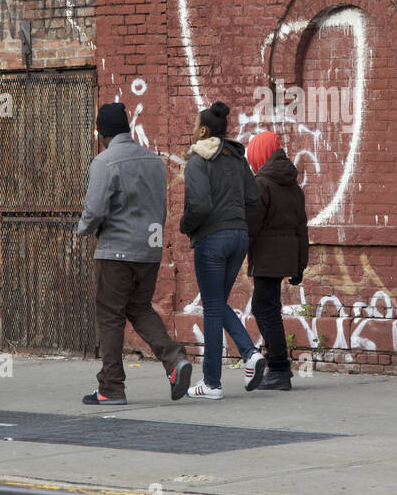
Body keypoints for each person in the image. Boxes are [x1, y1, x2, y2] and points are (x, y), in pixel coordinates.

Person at [76, 102, 191, 406]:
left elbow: (95, 209)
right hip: (149, 252)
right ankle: (175, 359)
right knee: (139, 308)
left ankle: (111, 387)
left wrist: (82, 229)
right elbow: (161, 207)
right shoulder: (154, 161)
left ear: (102, 132)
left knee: (110, 316)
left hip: (116, 253)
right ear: (126, 128)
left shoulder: (105, 162)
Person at [180, 101, 266, 399]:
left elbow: (200, 205)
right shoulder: (238, 159)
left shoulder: (197, 161)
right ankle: (250, 354)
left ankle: (213, 383)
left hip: (212, 240)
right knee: (216, 303)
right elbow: (254, 201)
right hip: (239, 237)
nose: (192, 130)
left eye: (194, 125)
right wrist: (238, 226)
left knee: (213, 308)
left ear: (203, 130)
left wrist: (186, 225)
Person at [245, 131, 309, 391]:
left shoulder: (261, 184)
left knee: (265, 310)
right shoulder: (292, 184)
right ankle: (277, 366)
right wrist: (299, 264)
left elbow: (252, 225)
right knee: (268, 308)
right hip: (285, 256)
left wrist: (240, 247)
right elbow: (302, 227)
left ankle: (279, 369)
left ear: (259, 154)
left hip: (267, 258)